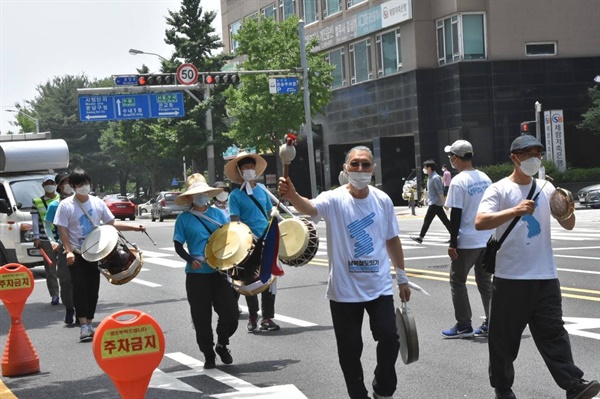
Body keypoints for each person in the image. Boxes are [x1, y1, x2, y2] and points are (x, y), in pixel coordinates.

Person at [278, 145, 411, 399]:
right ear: (345, 168)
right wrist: (293, 194)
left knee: (390, 337)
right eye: (355, 164)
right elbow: (309, 208)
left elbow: (392, 239)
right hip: (344, 290)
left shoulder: (382, 200)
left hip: (379, 286)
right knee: (350, 350)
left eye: (365, 164)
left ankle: (383, 388)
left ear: (373, 169)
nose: (360, 169)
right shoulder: (333, 198)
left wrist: (402, 276)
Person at [475, 135, 600, 399]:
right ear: (514, 157)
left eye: (538, 153)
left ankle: (573, 385)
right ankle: (503, 388)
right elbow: (481, 221)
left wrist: (567, 210)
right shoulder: (498, 189)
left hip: (545, 275)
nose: (534, 158)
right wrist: (514, 211)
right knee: (504, 340)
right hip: (511, 278)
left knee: (554, 333)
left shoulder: (546, 188)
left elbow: (568, 224)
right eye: (527, 153)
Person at [53, 168, 146, 342]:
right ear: (72, 186)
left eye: (86, 183)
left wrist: (135, 227)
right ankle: (83, 325)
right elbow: (63, 231)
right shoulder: (66, 206)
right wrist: (69, 252)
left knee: (93, 288)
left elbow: (112, 223)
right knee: (79, 287)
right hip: (78, 253)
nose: (84, 187)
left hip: (96, 253)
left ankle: (89, 320)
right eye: (80, 184)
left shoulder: (97, 203)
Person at [173, 174, 239, 369]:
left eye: (204, 193)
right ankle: (208, 354)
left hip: (219, 271)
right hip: (196, 275)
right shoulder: (184, 219)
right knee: (201, 317)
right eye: (197, 194)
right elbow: (178, 245)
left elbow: (230, 239)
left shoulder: (219, 214)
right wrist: (190, 259)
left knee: (230, 313)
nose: (201, 196)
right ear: (190, 198)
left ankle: (222, 343)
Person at [441, 140, 493, 339]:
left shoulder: (459, 180)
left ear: (455, 158)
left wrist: (453, 242)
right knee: (485, 282)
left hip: (468, 241)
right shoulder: (485, 178)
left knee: (457, 281)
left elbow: (456, 214)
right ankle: (491, 322)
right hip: (487, 239)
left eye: (451, 157)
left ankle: (464, 324)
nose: (451, 161)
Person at [225, 152, 280, 332]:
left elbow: (268, 213)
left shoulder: (262, 190)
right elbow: (235, 222)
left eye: (251, 167)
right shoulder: (235, 195)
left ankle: (267, 318)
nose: (249, 171)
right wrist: (244, 241)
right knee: (250, 280)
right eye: (245, 168)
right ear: (239, 172)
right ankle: (253, 315)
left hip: (267, 239)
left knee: (269, 281)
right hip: (248, 244)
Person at [44, 172, 76, 325]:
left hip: (83, 249)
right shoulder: (54, 205)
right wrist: (52, 241)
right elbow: (47, 225)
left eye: (70, 181)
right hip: (64, 249)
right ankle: (70, 308)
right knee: (65, 280)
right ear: (59, 186)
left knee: (83, 281)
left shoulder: (81, 202)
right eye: (65, 182)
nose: (68, 184)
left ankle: (82, 311)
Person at [31, 175, 61, 305]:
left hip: (61, 238)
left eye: (52, 183)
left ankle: (68, 293)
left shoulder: (62, 199)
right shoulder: (37, 201)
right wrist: (36, 237)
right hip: (45, 240)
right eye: (47, 183)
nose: (50, 185)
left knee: (66, 268)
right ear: (43, 186)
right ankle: (54, 294)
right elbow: (35, 221)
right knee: (50, 269)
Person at [410, 159, 451, 244]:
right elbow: (430, 191)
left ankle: (420, 237)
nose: (423, 169)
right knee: (445, 220)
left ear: (429, 168)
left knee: (427, 220)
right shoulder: (431, 177)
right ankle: (455, 235)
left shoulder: (435, 178)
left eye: (425, 167)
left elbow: (440, 191)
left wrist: (445, 204)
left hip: (435, 203)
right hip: (434, 202)